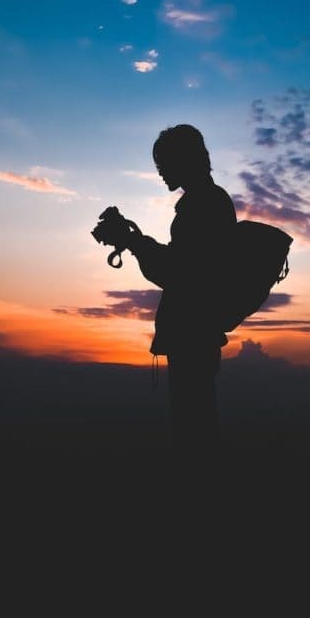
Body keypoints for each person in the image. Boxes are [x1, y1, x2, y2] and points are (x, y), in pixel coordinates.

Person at [125, 124, 237, 454]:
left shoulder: (202, 204)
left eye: (164, 163)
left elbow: (178, 272)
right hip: (198, 333)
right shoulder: (209, 201)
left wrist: (134, 242)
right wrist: (136, 241)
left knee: (194, 428)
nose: (160, 171)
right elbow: (181, 265)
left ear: (184, 160)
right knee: (198, 421)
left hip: (193, 334)